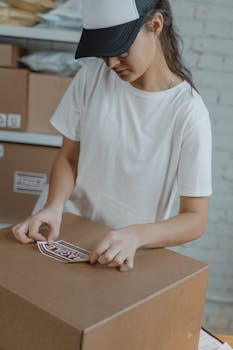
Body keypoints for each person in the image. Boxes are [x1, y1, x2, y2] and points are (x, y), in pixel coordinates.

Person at [12, 0, 212, 272]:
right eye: (104, 51)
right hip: (63, 232)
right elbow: (68, 159)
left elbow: (195, 218)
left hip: (118, 253)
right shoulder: (92, 76)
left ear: (154, 25)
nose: (110, 63)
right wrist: (53, 205)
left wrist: (136, 236)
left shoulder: (188, 112)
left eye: (120, 49)